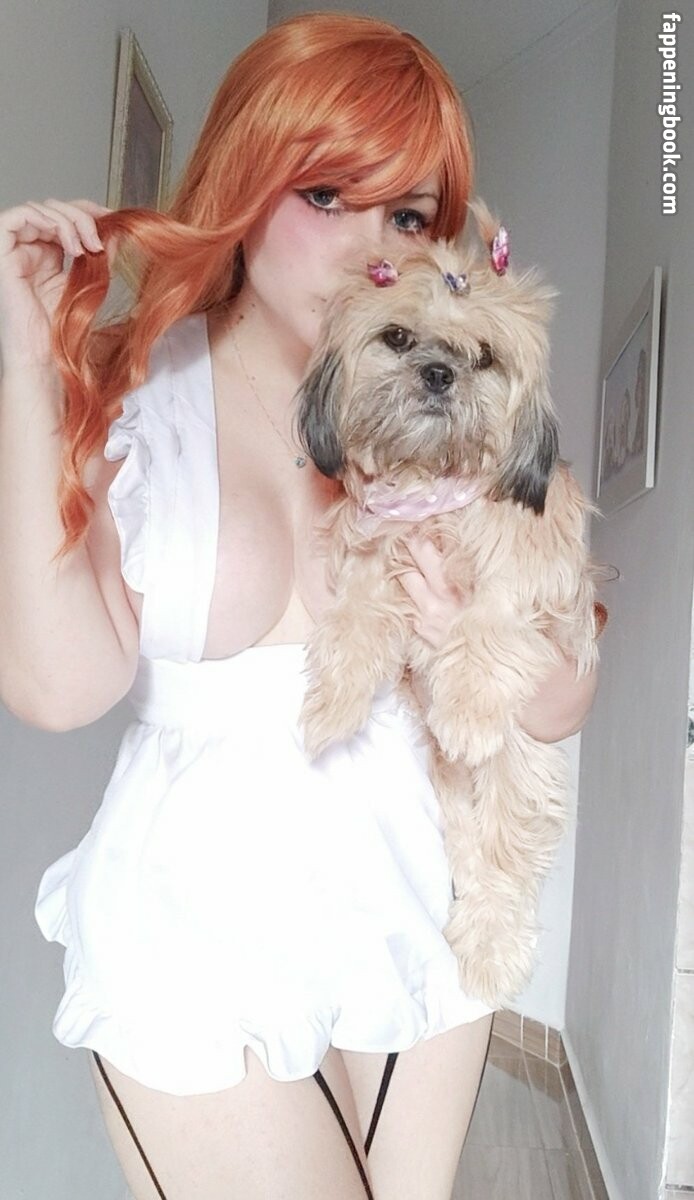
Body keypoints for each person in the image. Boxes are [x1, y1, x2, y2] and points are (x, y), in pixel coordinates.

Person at [0, 12, 600, 1199]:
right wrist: (25, 366)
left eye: (408, 217)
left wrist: (475, 644)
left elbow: (557, 696)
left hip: (417, 911)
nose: (369, 249)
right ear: (246, 174)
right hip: (193, 936)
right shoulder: (128, 394)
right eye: (327, 195)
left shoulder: (447, 407)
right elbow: (62, 687)